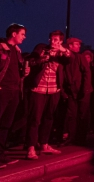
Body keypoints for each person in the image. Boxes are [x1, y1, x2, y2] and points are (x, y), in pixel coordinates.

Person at [0, 24, 28, 169]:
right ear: (14, 34)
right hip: (1, 91)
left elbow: (16, 70)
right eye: (22, 34)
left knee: (5, 125)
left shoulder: (17, 51)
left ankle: (0, 153)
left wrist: (24, 72)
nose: (24, 37)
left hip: (14, 91)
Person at [24, 31, 70, 159]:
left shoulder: (62, 53)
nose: (52, 42)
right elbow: (33, 59)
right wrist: (43, 58)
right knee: (35, 119)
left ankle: (44, 144)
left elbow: (69, 59)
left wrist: (62, 50)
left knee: (49, 118)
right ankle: (31, 147)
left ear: (60, 41)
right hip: (39, 88)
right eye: (51, 39)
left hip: (54, 89)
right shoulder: (41, 48)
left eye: (56, 40)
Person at [61, 37, 92, 146]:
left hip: (82, 90)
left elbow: (86, 73)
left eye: (79, 44)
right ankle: (71, 137)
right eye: (76, 44)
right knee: (71, 115)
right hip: (72, 90)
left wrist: (85, 88)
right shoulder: (67, 59)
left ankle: (81, 138)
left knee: (82, 115)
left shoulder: (80, 57)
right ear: (70, 46)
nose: (79, 46)